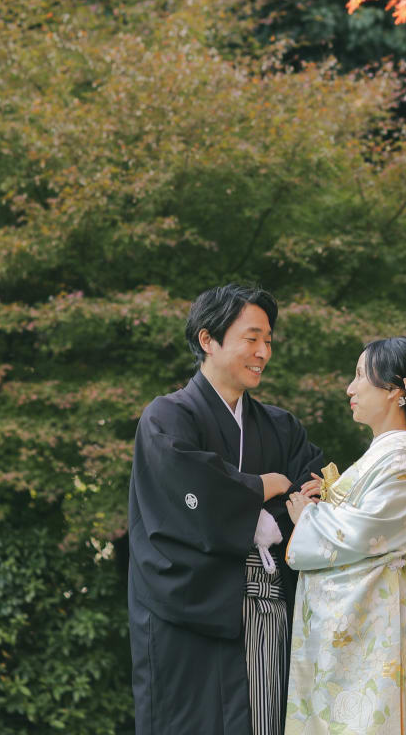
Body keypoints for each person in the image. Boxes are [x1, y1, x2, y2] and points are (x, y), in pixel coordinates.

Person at [127, 283, 323, 735]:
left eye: (268, 340)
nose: (263, 352)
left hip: (264, 609)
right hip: (188, 614)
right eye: (251, 338)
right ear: (207, 340)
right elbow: (183, 497)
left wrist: (258, 507)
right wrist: (260, 487)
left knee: (265, 717)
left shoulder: (280, 426)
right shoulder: (167, 419)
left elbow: (312, 490)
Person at [284, 337, 406, 735]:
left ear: (393, 391)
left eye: (359, 376)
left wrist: (311, 518)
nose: (350, 388)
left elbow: (359, 535)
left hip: (395, 658)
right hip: (398, 656)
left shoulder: (403, 461)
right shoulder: (392, 460)